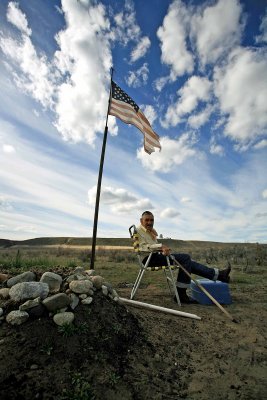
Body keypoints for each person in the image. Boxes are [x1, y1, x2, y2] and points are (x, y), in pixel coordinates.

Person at [136, 210, 231, 304]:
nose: (150, 222)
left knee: (187, 262)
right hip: (149, 260)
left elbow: (153, 247)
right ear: (141, 221)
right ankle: (181, 294)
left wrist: (161, 249)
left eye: (151, 220)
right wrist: (160, 246)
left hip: (156, 257)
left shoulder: (150, 232)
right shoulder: (138, 231)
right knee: (185, 258)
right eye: (147, 220)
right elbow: (142, 247)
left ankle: (219, 275)